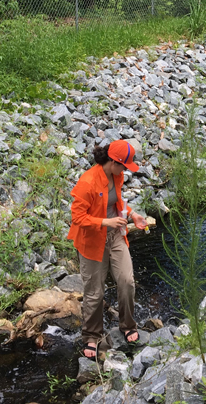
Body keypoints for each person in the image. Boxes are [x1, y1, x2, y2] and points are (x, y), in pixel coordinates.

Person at [67, 139, 148, 360]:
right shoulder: (88, 182)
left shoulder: (117, 175)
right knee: (94, 293)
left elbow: (117, 202)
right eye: (124, 166)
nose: (125, 171)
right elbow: (77, 217)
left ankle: (127, 324)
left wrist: (132, 214)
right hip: (92, 241)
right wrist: (105, 222)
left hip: (115, 237)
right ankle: (92, 336)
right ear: (113, 162)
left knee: (127, 281)